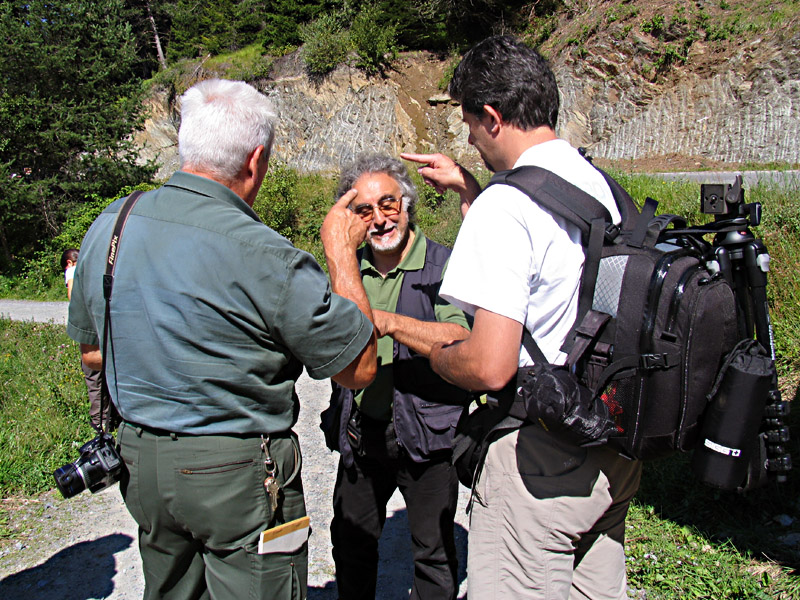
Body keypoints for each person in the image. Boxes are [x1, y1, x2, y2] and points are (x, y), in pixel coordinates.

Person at [66, 78, 377, 600]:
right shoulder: (266, 255)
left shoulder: (111, 225)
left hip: (142, 465)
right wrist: (341, 252)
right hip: (236, 471)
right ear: (256, 160)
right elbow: (359, 367)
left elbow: (93, 352)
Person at [401, 35, 643, 600]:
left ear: (491, 116)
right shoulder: (602, 188)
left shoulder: (506, 206)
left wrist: (439, 353)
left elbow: (490, 366)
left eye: (467, 125)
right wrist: (470, 188)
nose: (468, 140)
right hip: (610, 447)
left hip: (540, 461)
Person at [321, 154, 470, 600]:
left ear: (407, 205)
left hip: (429, 433)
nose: (381, 219)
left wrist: (385, 321)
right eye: (364, 211)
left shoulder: (446, 265)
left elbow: (462, 337)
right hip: (361, 432)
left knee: (433, 554)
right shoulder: (347, 270)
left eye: (389, 204)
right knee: (352, 547)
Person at [61, 247, 116, 429]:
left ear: (68, 262)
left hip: (91, 327)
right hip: (108, 323)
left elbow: (72, 295)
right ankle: (116, 417)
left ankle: (100, 423)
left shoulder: (73, 270)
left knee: (94, 376)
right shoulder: (97, 263)